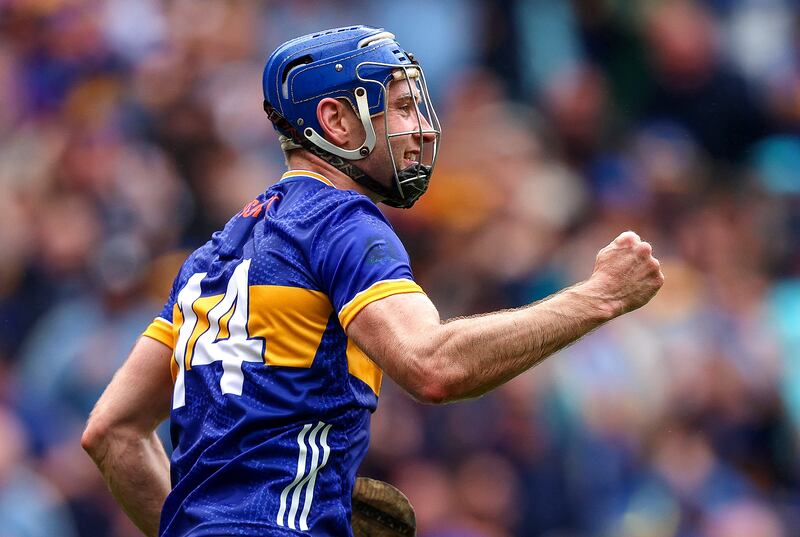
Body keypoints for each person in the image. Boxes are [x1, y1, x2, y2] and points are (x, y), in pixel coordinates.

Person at [81, 25, 664, 537]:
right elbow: (432, 366)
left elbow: (111, 431)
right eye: (401, 107)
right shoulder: (342, 222)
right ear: (335, 121)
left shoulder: (211, 256)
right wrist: (599, 298)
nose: (419, 128)